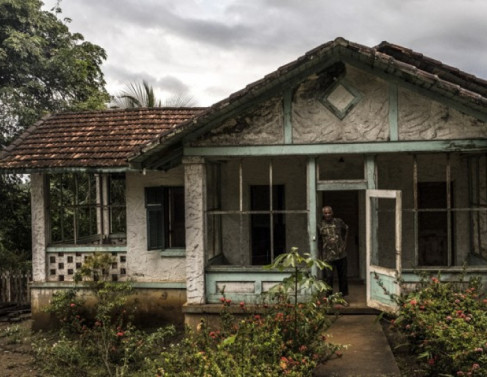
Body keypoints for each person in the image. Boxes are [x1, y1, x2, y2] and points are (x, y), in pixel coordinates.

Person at [318, 205, 349, 297]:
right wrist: (320, 255)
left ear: (332, 213)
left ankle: (342, 297)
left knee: (343, 276)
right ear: (323, 214)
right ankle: (328, 297)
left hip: (341, 254)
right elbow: (319, 241)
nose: (328, 215)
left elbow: (347, 229)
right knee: (328, 277)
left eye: (329, 212)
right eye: (325, 213)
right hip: (327, 256)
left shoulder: (338, 221)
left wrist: (344, 244)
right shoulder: (320, 225)